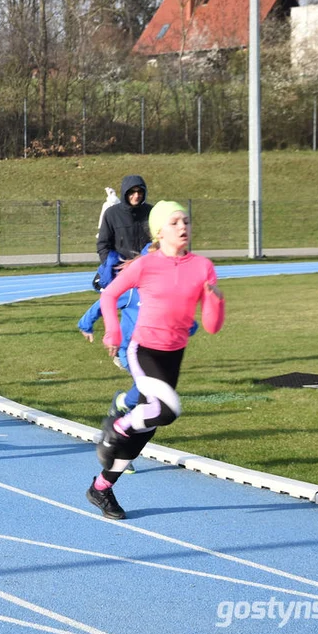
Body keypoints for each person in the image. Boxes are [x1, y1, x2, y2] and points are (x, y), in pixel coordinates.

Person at [89, 200, 225, 520]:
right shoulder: (145, 265)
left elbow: (211, 326)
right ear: (159, 231)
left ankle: (101, 487)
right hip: (144, 349)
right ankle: (116, 424)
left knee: (146, 430)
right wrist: (113, 334)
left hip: (173, 354)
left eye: (186, 221)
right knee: (168, 409)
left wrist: (216, 300)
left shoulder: (203, 266)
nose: (182, 227)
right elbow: (108, 295)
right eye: (175, 222)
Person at [96, 175, 152, 269]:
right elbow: (103, 244)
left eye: (140, 191)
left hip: (147, 268)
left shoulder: (152, 212)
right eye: (132, 192)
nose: (136, 195)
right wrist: (111, 267)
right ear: (125, 193)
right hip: (121, 270)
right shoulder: (112, 214)